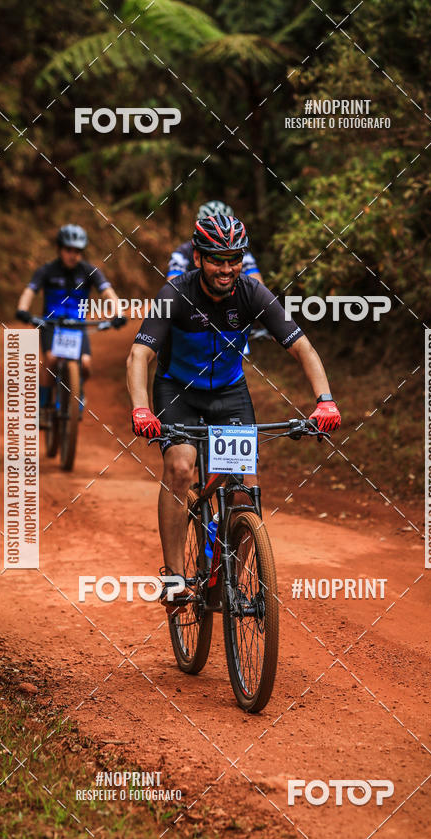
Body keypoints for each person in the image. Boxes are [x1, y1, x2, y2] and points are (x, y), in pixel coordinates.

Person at [127, 212, 341, 613]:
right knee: (181, 466)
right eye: (216, 259)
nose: (226, 268)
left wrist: (324, 400)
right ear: (197, 258)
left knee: (244, 493)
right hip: (178, 392)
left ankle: (229, 582)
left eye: (234, 258)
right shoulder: (175, 294)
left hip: (229, 395)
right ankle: (174, 577)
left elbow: (303, 348)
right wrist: (141, 409)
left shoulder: (253, 294)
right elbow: (140, 355)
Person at [15, 224, 119, 427]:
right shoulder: (46, 271)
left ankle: (77, 391)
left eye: (78, 251)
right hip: (51, 324)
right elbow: (30, 291)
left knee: (86, 364)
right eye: (69, 250)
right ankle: (43, 406)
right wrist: (23, 309)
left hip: (77, 326)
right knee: (51, 360)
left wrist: (118, 313)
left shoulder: (89, 271)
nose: (73, 255)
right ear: (60, 249)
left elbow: (107, 292)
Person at [168, 200, 268, 346]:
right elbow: (173, 287)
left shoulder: (240, 252)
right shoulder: (182, 253)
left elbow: (257, 283)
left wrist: (264, 313)